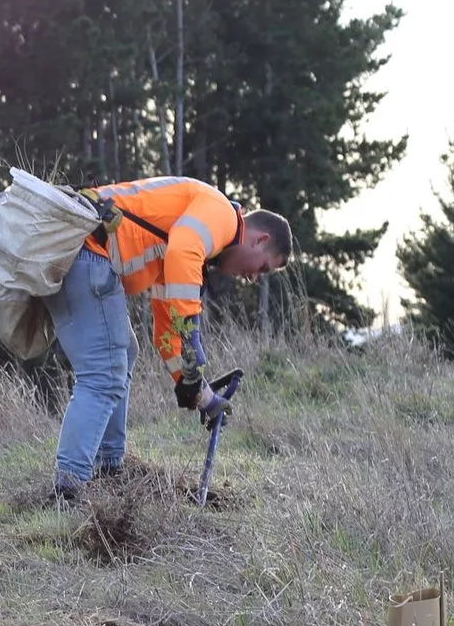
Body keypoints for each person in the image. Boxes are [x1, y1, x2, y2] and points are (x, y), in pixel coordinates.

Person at [45, 175, 292, 500]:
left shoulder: (188, 241)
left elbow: (165, 330)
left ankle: (108, 470)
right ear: (259, 241)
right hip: (87, 251)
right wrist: (192, 339)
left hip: (81, 251)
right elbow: (183, 252)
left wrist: (198, 391)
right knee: (103, 373)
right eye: (261, 269)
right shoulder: (220, 216)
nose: (250, 278)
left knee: (123, 354)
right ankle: (69, 489)